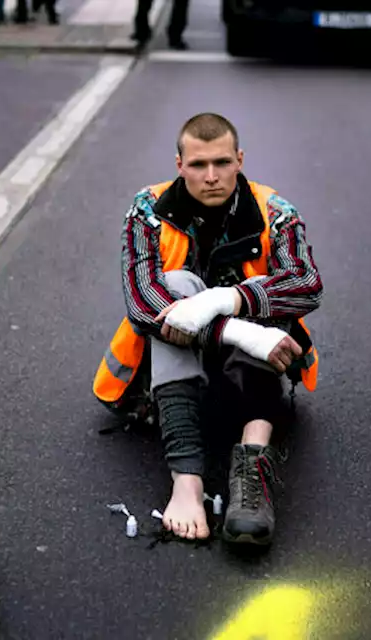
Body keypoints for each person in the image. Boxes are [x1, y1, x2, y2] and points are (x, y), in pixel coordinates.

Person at [93, 113, 323, 546]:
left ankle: (252, 471)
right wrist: (240, 332)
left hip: (251, 369)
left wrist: (225, 301)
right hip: (173, 370)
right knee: (175, 289)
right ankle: (187, 482)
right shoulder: (148, 209)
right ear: (179, 164)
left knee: (260, 287)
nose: (211, 176)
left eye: (222, 163)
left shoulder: (274, 210)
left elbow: (307, 284)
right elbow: (144, 305)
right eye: (198, 165)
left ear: (240, 159)